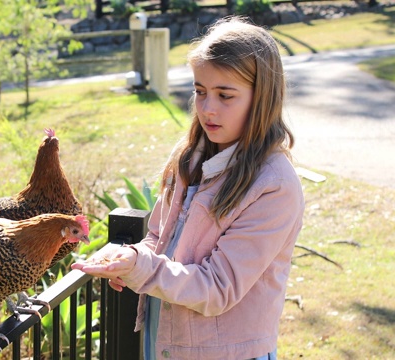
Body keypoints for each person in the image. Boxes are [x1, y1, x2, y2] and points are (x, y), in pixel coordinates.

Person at [72, 17, 305, 360]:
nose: (208, 108)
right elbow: (158, 238)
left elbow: (217, 288)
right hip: (165, 344)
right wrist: (130, 260)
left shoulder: (274, 186)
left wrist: (143, 268)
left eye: (225, 95)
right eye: (200, 91)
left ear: (263, 97)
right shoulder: (189, 155)